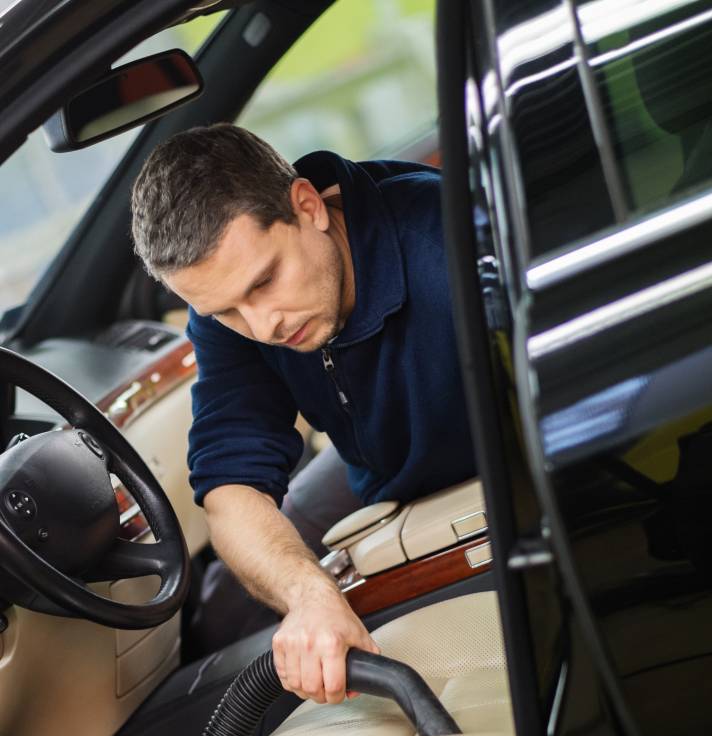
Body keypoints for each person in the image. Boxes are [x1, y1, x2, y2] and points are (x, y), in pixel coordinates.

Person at [131, 124, 478, 705]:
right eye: (225, 311)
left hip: (474, 485)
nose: (263, 326)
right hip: (373, 466)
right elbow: (229, 486)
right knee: (221, 613)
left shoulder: (451, 248)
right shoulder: (233, 309)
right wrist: (309, 595)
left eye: (265, 281)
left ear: (308, 205)